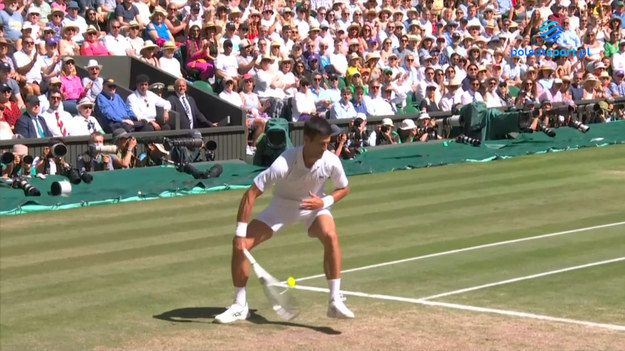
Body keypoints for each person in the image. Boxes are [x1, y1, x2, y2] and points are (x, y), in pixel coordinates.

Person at [214, 117, 355, 324]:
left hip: (313, 207)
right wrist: (239, 233)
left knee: (331, 235)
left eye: (328, 144)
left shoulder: (331, 160)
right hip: (281, 208)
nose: (325, 149)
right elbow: (250, 194)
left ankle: (334, 300)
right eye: (322, 144)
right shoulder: (284, 163)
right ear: (307, 140)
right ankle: (239, 305)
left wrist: (323, 202)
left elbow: (344, 188)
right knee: (241, 246)